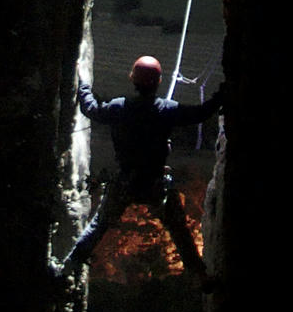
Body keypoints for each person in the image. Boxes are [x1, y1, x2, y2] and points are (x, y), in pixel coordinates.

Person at [57, 55, 223, 292]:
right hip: (155, 183)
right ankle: (202, 277)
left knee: (98, 227)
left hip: (125, 182)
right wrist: (221, 95)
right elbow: (200, 113)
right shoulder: (167, 109)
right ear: (158, 82)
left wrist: (83, 85)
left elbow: (91, 109)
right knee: (180, 232)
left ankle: (68, 267)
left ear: (132, 79)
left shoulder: (119, 107)